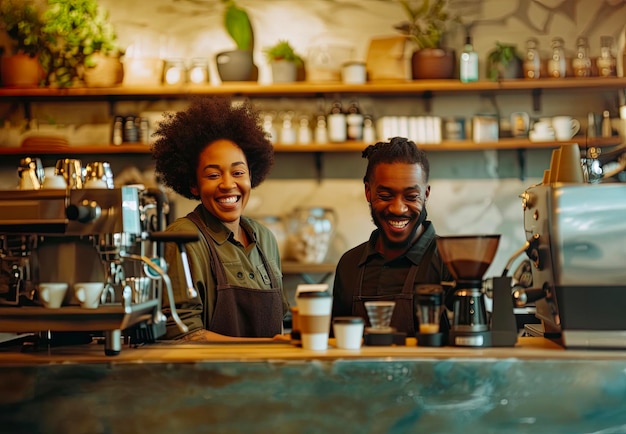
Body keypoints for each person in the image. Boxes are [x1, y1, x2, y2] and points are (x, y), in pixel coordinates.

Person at [152, 96, 289, 341]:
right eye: (213, 175)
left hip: (269, 376)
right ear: (194, 184)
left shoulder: (265, 238)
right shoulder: (184, 237)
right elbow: (182, 334)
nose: (228, 184)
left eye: (238, 172)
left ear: (251, 176)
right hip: (211, 376)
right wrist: (262, 347)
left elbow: (281, 322)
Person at [331, 136, 454, 336]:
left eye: (411, 196)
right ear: (368, 192)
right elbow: (334, 346)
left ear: (426, 194)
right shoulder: (349, 265)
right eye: (386, 196)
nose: (398, 208)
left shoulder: (450, 261)